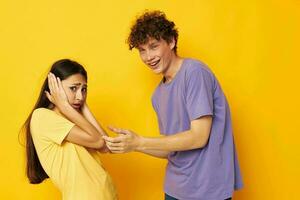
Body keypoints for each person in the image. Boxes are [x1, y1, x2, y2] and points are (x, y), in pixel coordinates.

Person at [103, 11, 243, 200]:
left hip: (207, 190)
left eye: (153, 46)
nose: (148, 56)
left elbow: (199, 137)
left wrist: (140, 141)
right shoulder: (157, 95)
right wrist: (132, 144)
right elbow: (170, 148)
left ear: (171, 42)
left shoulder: (194, 72)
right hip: (174, 190)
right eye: (142, 50)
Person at [21, 59, 117, 200]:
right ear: (55, 88)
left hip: (108, 194)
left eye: (84, 89)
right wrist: (65, 106)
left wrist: (84, 107)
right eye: (73, 88)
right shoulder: (42, 116)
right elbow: (98, 142)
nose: (80, 96)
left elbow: (107, 146)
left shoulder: (74, 117)